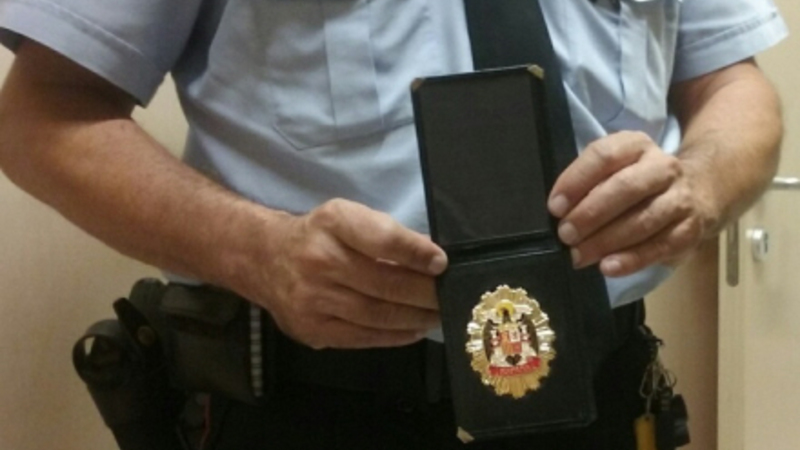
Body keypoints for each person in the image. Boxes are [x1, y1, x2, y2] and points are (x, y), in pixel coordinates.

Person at [0, 0, 786, 449]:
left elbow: (733, 85)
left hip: (602, 394)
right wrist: (255, 250)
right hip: (314, 407)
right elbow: (43, 115)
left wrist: (700, 183)